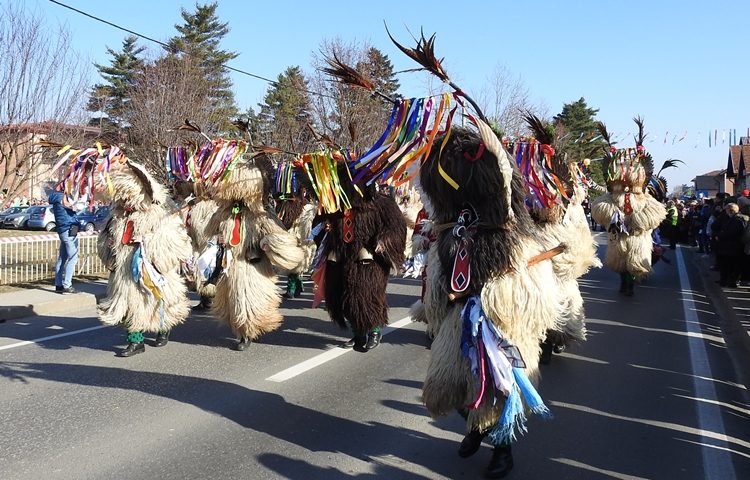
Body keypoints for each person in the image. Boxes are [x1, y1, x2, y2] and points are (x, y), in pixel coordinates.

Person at [48, 189, 80, 294]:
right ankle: (67, 284)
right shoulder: (63, 198)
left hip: (64, 230)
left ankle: (58, 284)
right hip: (69, 230)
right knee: (73, 258)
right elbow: (70, 207)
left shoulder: (56, 199)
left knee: (62, 258)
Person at [714, 203, 746, 288]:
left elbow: (732, 233)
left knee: (731, 265)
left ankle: (731, 282)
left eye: (727, 210)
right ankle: (725, 281)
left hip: (732, 246)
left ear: (730, 210)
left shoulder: (737, 220)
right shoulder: (732, 219)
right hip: (728, 246)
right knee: (726, 265)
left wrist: (720, 235)